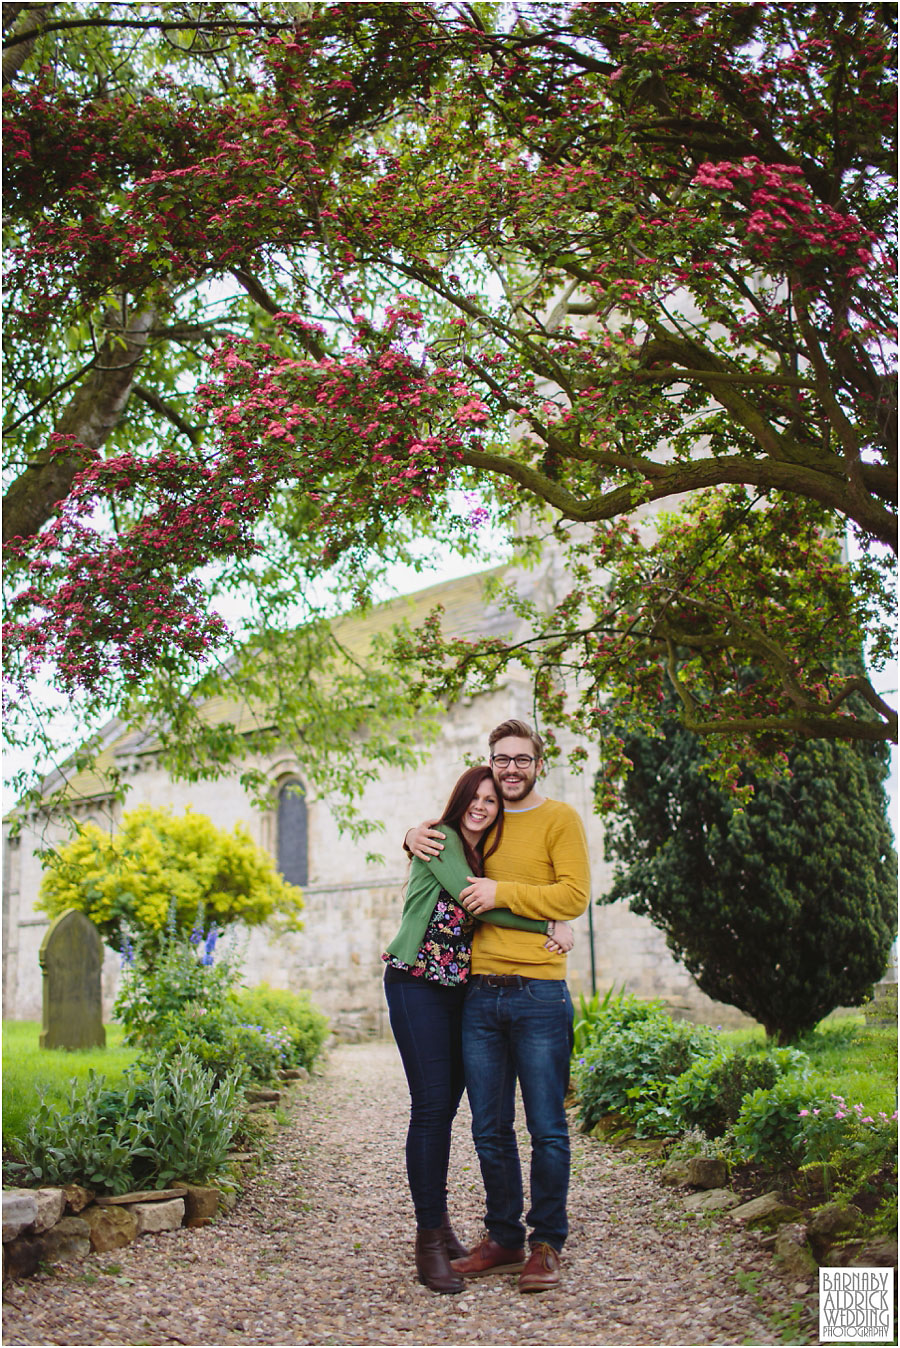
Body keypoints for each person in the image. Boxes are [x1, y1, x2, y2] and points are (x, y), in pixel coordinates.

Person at [404, 719, 590, 1293]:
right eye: (501, 759)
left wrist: (512, 897)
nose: (510, 770)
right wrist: (412, 833)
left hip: (538, 991)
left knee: (547, 1128)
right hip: (480, 993)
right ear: (490, 761)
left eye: (521, 759)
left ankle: (545, 1244)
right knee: (489, 1129)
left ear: (539, 762)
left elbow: (574, 895)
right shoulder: (487, 823)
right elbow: (451, 855)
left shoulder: (560, 819)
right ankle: (504, 1236)